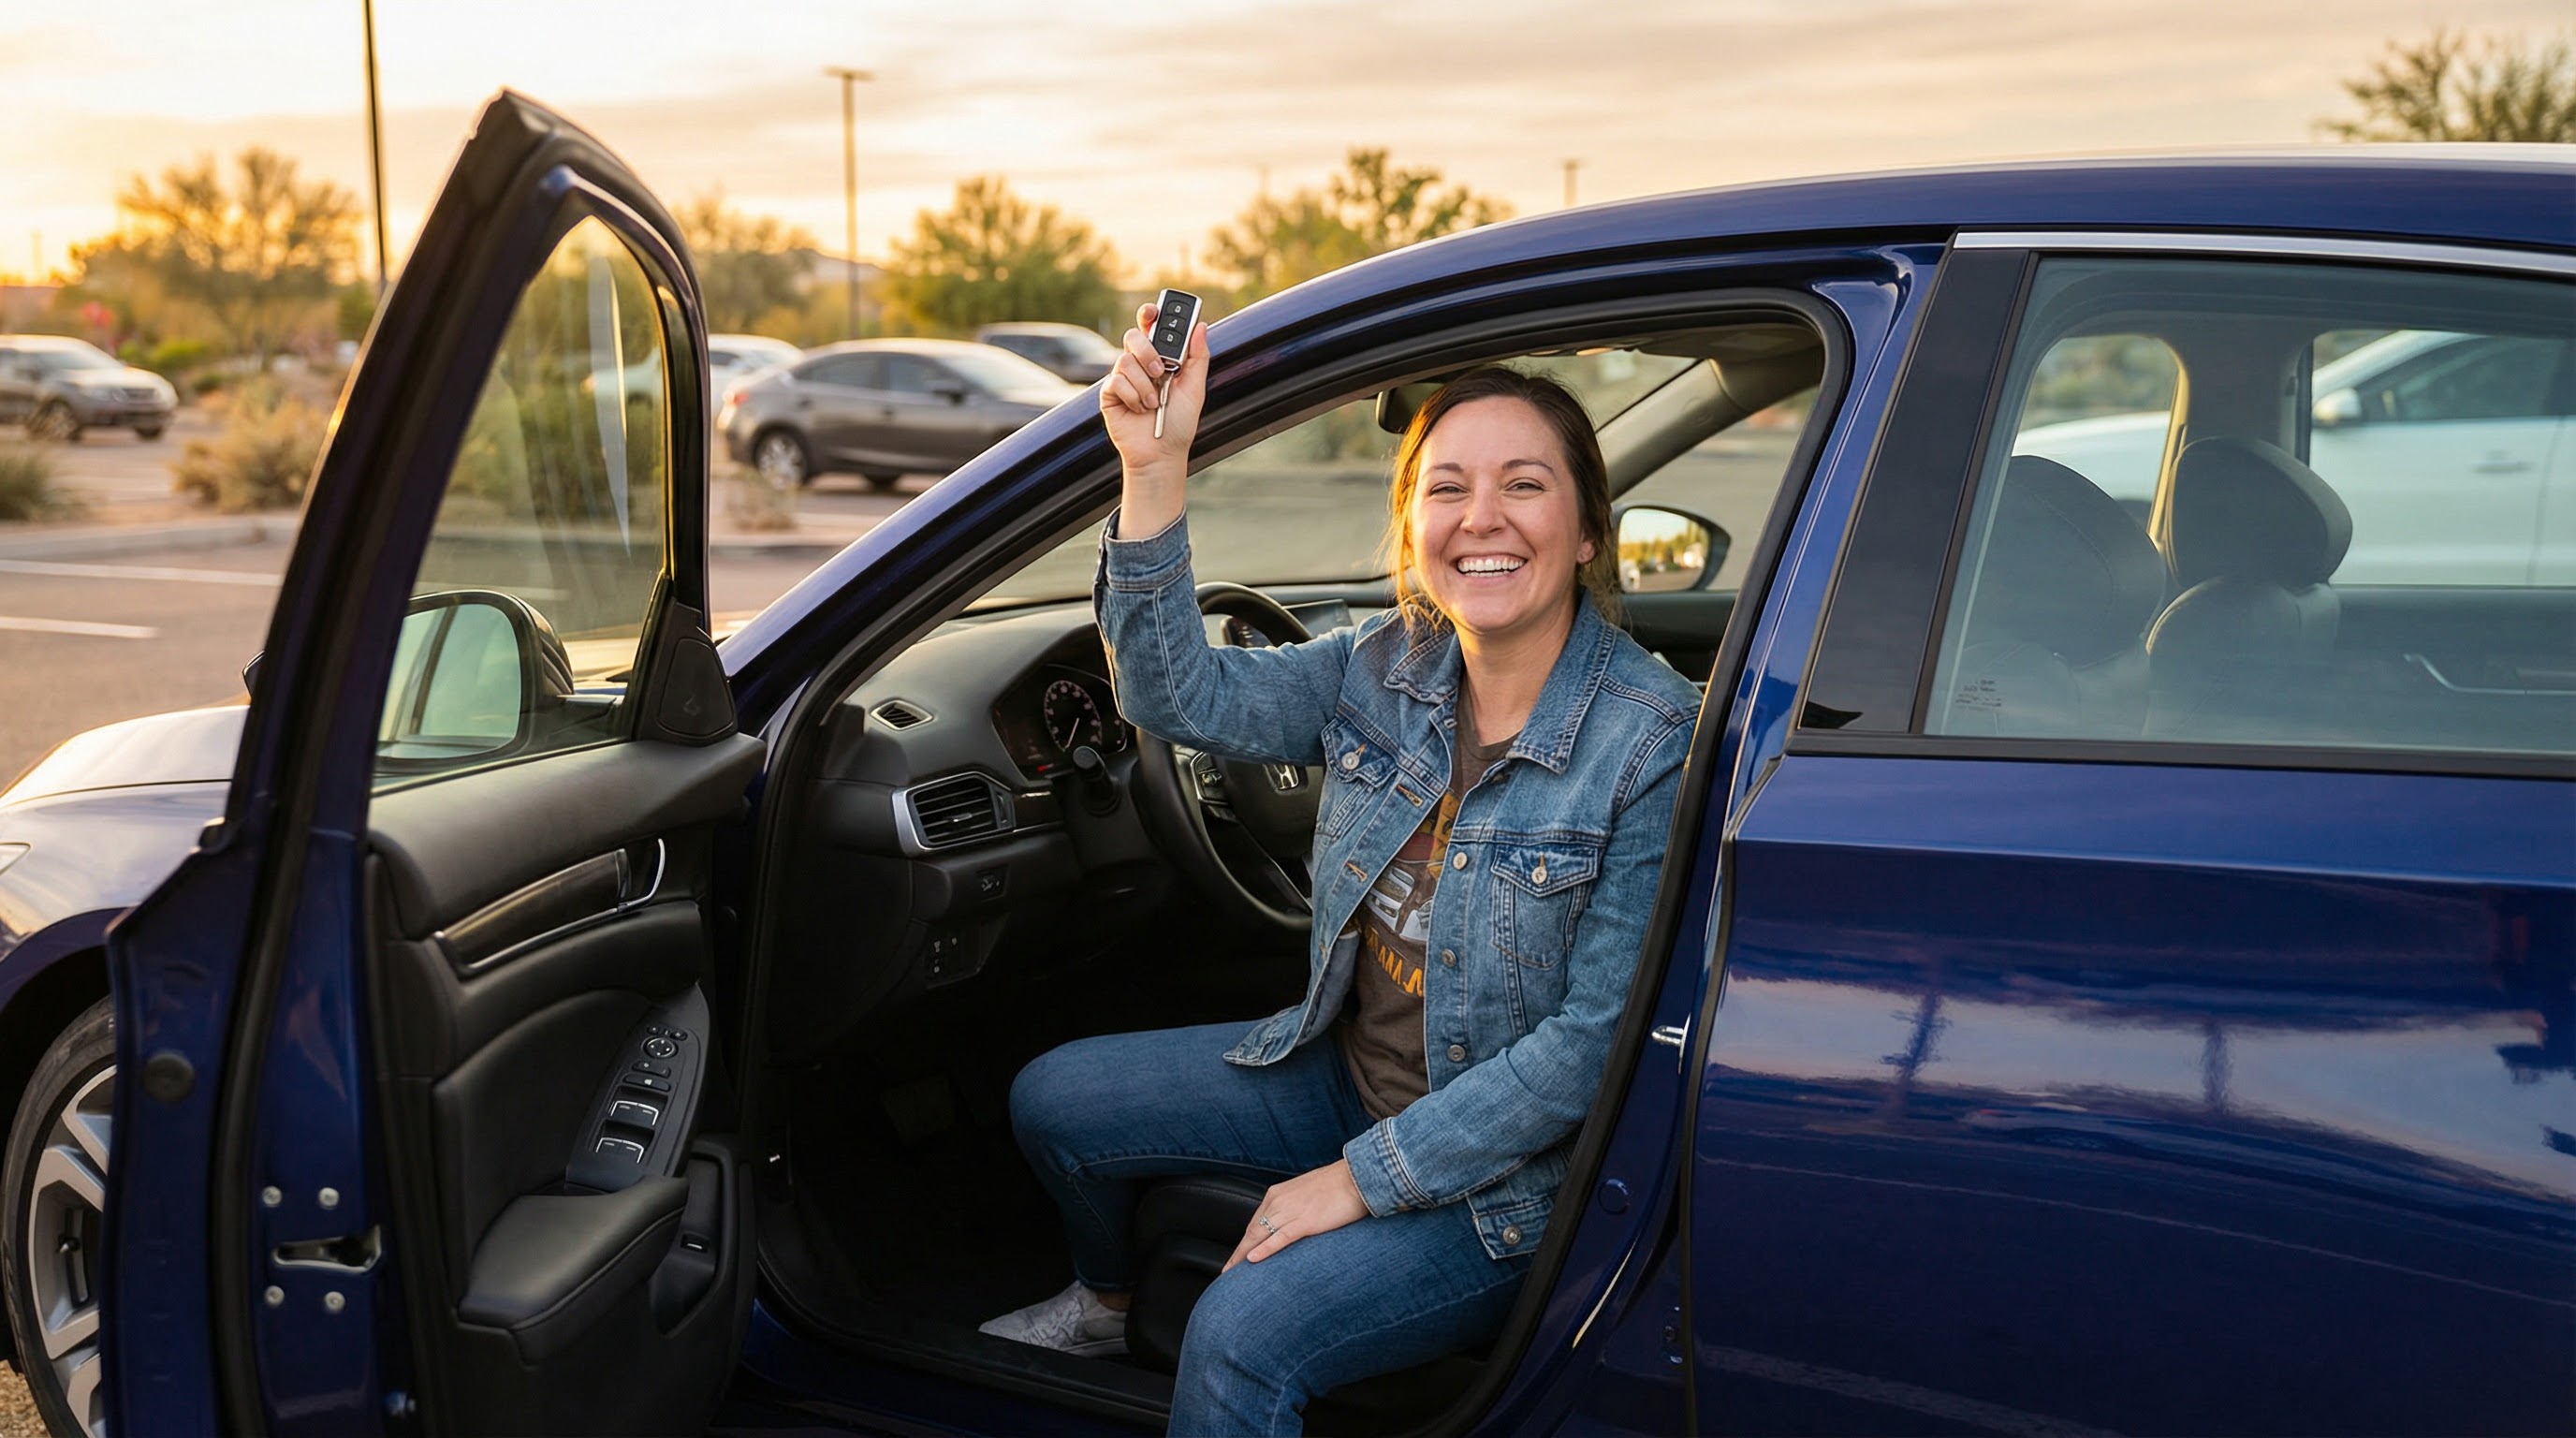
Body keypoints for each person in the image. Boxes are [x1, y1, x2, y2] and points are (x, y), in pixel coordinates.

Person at [979, 305, 1698, 1437]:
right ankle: (1111, 1303)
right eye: (1445, 488)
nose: (1482, 520)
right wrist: (1154, 468)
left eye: (1524, 485)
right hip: (1341, 1081)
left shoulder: (1653, 740)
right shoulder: (1385, 662)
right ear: (1412, 523)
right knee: (1055, 1101)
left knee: (1236, 1336)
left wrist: (1361, 1182)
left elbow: (1588, 1050)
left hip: (1508, 1185)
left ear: (1589, 530)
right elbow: (1180, 698)